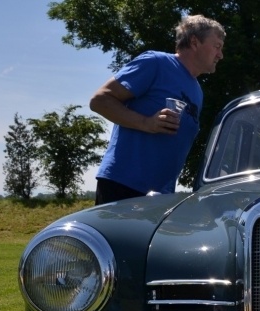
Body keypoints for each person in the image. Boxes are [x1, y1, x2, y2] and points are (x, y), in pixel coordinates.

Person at [90, 15, 226, 205]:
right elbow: (100, 100)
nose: (220, 55)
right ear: (194, 42)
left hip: (160, 196)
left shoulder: (197, 91)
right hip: (123, 186)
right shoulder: (156, 63)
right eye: (217, 46)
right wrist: (147, 123)